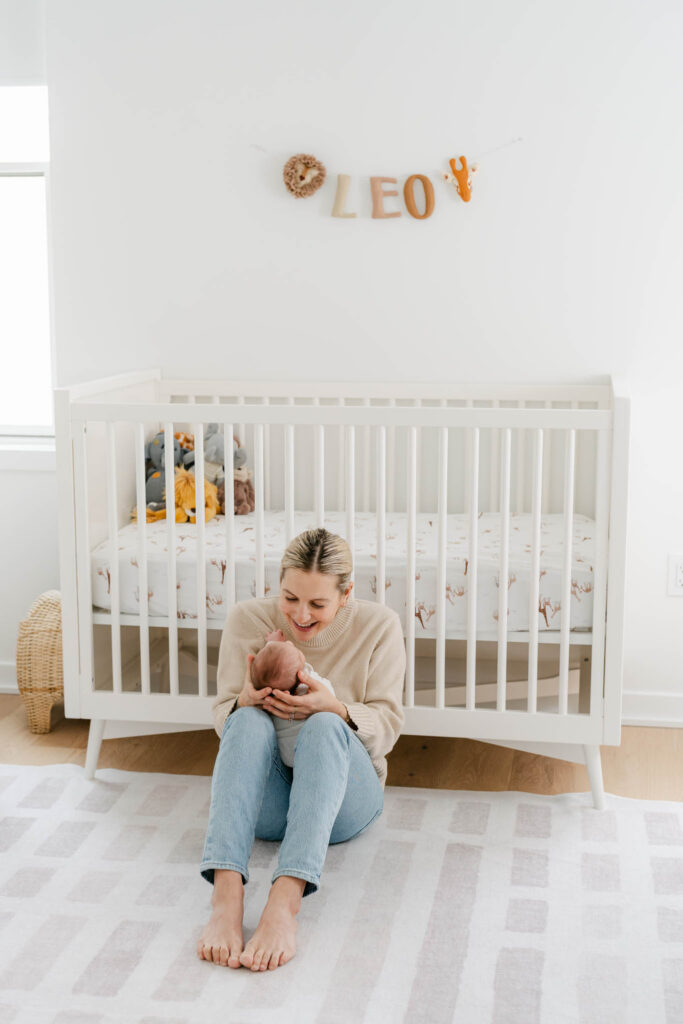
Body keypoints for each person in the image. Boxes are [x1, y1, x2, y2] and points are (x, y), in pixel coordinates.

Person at [197, 527, 406, 973]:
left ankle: (284, 902)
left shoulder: (380, 626)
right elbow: (222, 717)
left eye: (317, 604)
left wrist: (337, 708)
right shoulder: (248, 620)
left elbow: (387, 727)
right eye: (291, 598)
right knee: (246, 718)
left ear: (346, 594)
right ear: (279, 582)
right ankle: (226, 895)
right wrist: (244, 699)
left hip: (346, 802)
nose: (300, 615)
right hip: (270, 804)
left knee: (325, 724)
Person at [250, 628, 337, 767]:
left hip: (285, 754)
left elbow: (271, 664)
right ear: (300, 676)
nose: (290, 642)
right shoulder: (308, 685)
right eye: (296, 652)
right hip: (312, 751)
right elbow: (329, 694)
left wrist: (273, 644)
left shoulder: (269, 698)